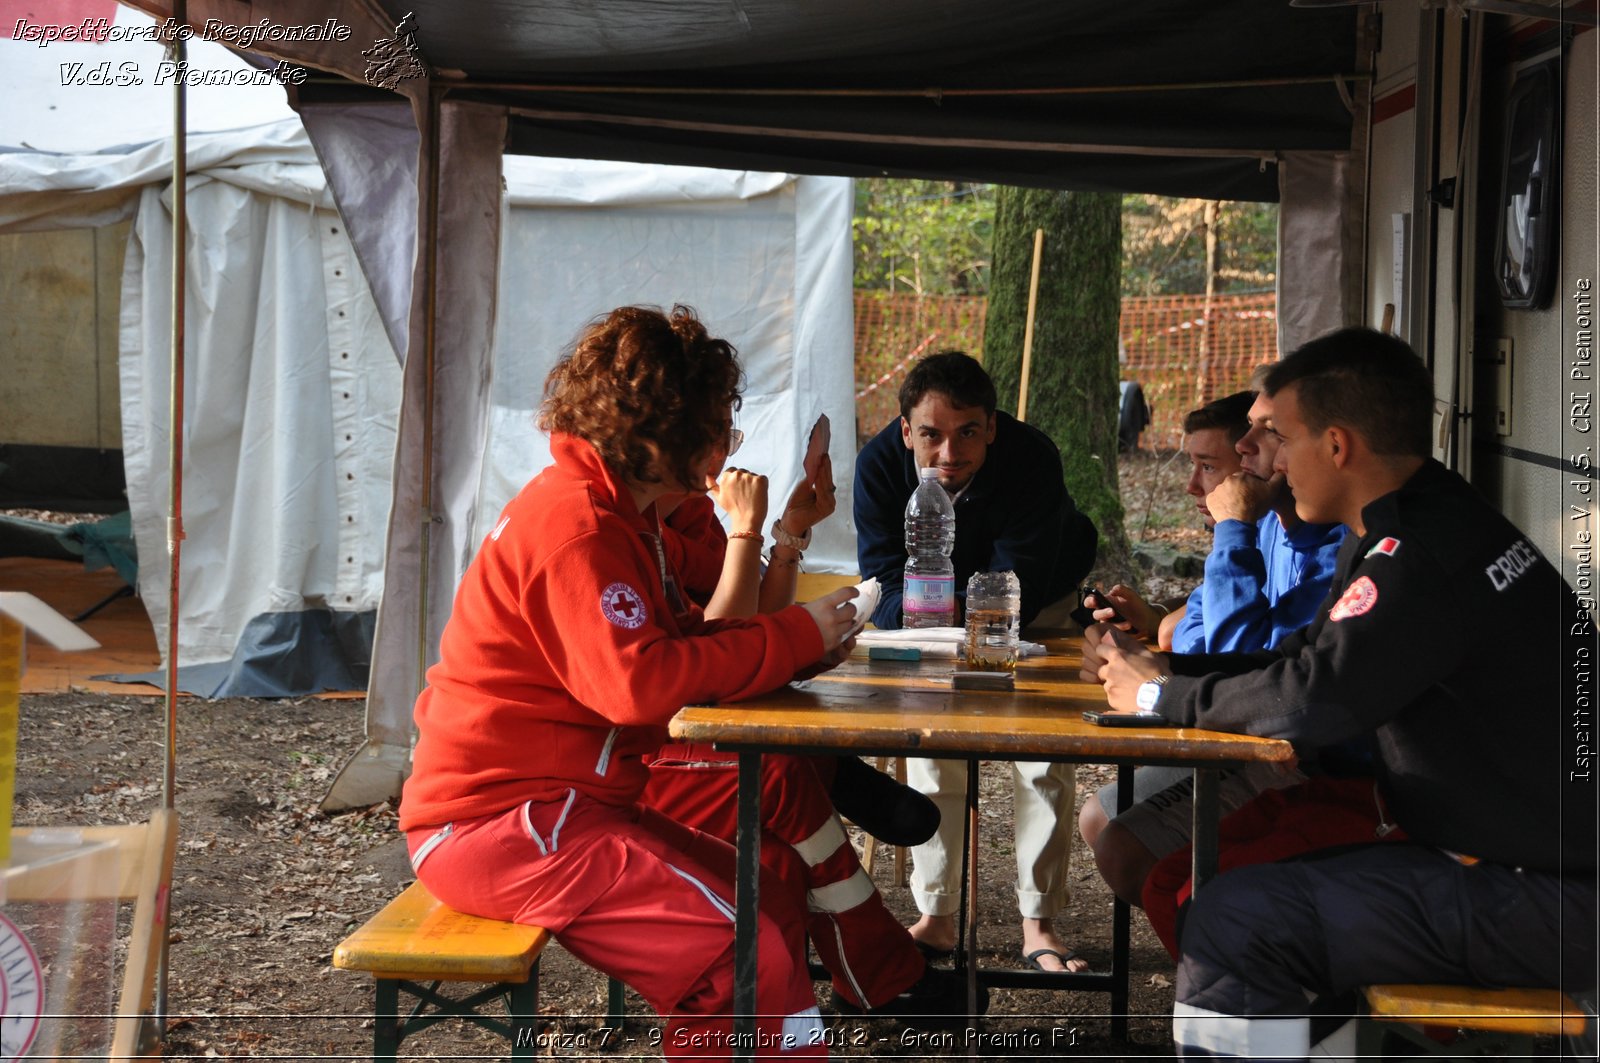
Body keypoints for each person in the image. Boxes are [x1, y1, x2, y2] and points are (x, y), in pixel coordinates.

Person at [1082, 327, 1596, 1059]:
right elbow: (1305, 660)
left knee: (1236, 919)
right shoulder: (1423, 519)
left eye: (1280, 438)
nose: (1272, 462)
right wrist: (1163, 674)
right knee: (1225, 898)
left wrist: (1156, 701)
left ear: (1337, 444)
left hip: (1551, 893)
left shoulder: (1415, 554)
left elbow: (1312, 704)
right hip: (1500, 859)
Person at [398, 305, 864, 1061]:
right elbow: (639, 685)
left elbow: (685, 642)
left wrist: (799, 647)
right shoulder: (577, 526)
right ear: (664, 433)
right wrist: (793, 636)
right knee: (733, 952)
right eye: (718, 424)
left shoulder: (626, 517)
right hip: (502, 824)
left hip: (561, 809)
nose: (726, 444)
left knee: (769, 899)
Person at [644, 448, 968, 1021]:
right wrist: (746, 533)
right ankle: (883, 973)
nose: (723, 454)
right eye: (714, 431)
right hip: (648, 753)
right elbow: (716, 656)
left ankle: (853, 983)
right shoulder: (628, 524)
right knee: (781, 770)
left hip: (698, 731)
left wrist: (788, 536)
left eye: (726, 430)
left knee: (782, 858)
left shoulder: (687, 516)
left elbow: (741, 634)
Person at [853, 350, 1099, 973]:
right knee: (931, 746)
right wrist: (933, 630)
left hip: (1034, 604)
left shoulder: (1032, 458)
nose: (948, 454)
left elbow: (1022, 580)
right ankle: (936, 916)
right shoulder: (879, 467)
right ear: (906, 430)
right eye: (931, 435)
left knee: (1041, 752)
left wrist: (946, 615)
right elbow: (883, 580)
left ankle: (1038, 921)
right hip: (926, 620)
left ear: (992, 426)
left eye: (967, 433)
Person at [1079, 385, 1349, 920]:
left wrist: (1232, 530)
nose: (1247, 446)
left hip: (1306, 762)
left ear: (1328, 446)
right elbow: (1189, 629)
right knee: (1099, 820)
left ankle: (1220, 955)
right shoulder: (1269, 526)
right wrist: (1147, 652)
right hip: (1248, 736)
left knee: (1123, 845)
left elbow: (1235, 662)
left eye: (1270, 431)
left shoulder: (1303, 539)